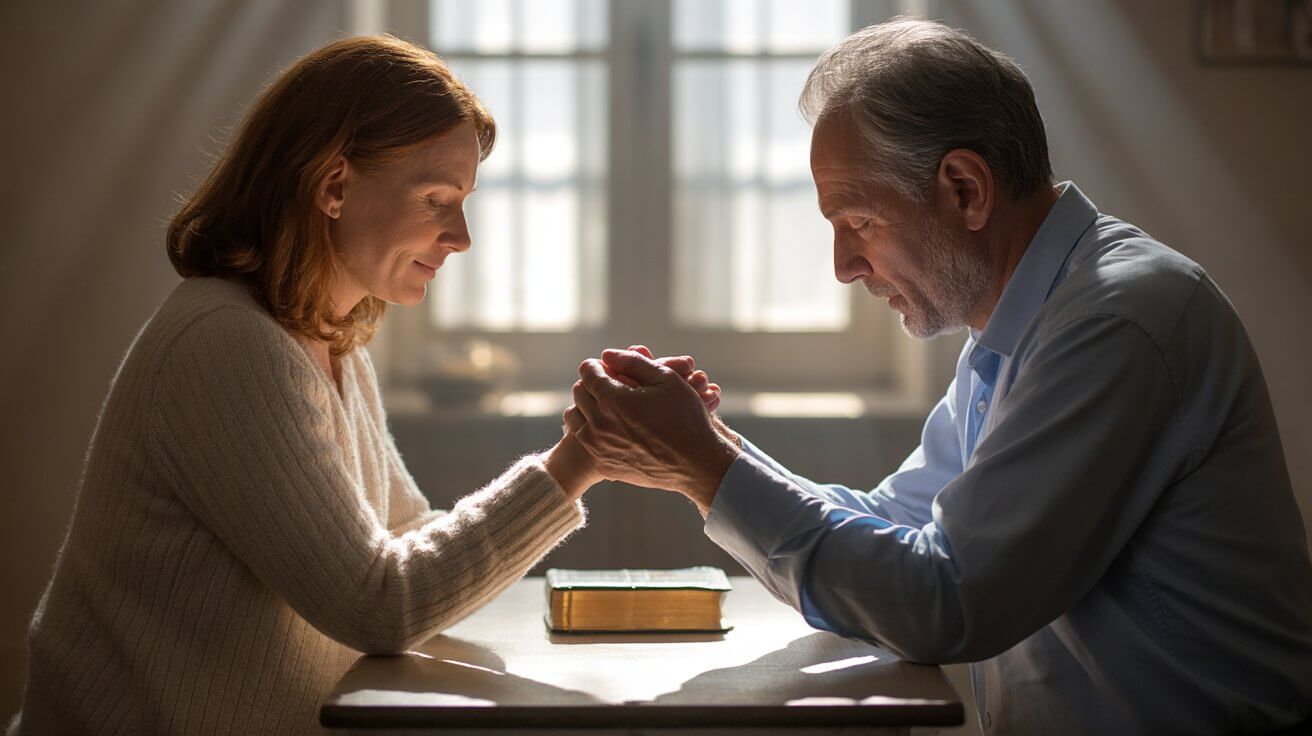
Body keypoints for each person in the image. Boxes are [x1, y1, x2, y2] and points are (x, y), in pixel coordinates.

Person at [565, 18, 1312, 736]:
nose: (844, 266)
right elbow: (897, 524)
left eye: (857, 221)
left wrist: (705, 465)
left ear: (964, 188)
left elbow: (946, 600)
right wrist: (710, 445)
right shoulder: (1028, 323)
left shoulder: (1116, 323)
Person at [8, 36, 717, 735]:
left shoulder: (327, 338)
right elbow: (382, 606)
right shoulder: (227, 346)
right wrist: (580, 459)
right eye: (438, 198)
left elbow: (403, 541)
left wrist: (582, 447)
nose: (461, 236)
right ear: (334, 185)